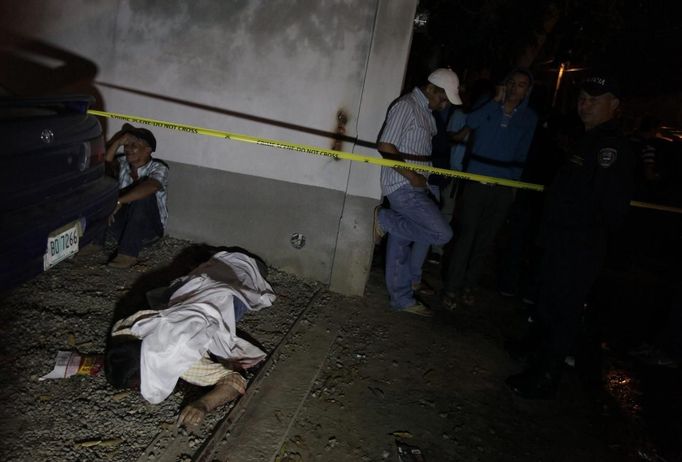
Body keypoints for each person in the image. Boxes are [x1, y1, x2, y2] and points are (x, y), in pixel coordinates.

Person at [506, 72, 635, 399]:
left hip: (579, 245)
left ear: (614, 105)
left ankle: (546, 376)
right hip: (562, 240)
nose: (584, 103)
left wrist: (576, 237)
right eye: (582, 97)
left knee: (563, 313)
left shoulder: (610, 147)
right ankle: (536, 357)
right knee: (548, 303)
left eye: (594, 99)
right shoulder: (588, 138)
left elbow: (608, 207)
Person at [105, 251, 276, 427]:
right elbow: (120, 347)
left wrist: (203, 404)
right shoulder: (130, 328)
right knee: (172, 295)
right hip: (217, 263)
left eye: (136, 386)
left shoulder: (184, 358)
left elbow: (235, 381)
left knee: (223, 325)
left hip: (252, 269)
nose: (137, 391)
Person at [442, 68, 538, 308]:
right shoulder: (488, 106)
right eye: (512, 83)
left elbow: (521, 153)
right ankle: (451, 287)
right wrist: (495, 101)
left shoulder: (529, 118)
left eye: (522, 85)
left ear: (528, 90)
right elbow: (471, 123)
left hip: (503, 186)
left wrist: (513, 186)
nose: (516, 88)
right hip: (477, 180)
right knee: (466, 236)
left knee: (486, 239)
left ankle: (469, 286)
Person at [373, 68, 460, 317]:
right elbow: (386, 145)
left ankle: (402, 298)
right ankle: (384, 219)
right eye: (442, 98)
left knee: (401, 241)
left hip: (418, 184)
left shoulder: (426, 112)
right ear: (431, 88)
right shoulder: (407, 106)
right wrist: (412, 176)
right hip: (403, 186)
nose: (444, 105)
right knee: (442, 233)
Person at [103, 124, 169, 268]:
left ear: (148, 150)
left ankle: (128, 254)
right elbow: (104, 164)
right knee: (101, 188)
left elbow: (152, 186)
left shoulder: (159, 167)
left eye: (134, 145)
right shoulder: (122, 162)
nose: (128, 149)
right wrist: (117, 142)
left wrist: (119, 202)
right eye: (126, 145)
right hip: (121, 227)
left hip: (149, 230)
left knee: (144, 194)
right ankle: (94, 243)